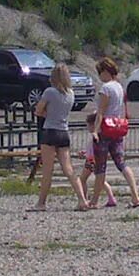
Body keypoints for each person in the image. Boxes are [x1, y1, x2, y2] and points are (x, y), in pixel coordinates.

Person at [85, 56, 139, 209]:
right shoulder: (119, 87)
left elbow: (101, 112)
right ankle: (135, 196)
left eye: (100, 72)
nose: (99, 76)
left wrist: (95, 131)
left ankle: (94, 200)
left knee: (100, 167)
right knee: (121, 163)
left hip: (105, 130)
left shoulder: (106, 89)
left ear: (105, 71)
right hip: (117, 129)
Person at [31, 63, 88, 212]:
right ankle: (82, 199)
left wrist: (47, 113)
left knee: (47, 170)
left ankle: (41, 203)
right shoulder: (71, 93)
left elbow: (38, 110)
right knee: (68, 169)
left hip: (50, 130)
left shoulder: (49, 92)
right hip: (64, 132)